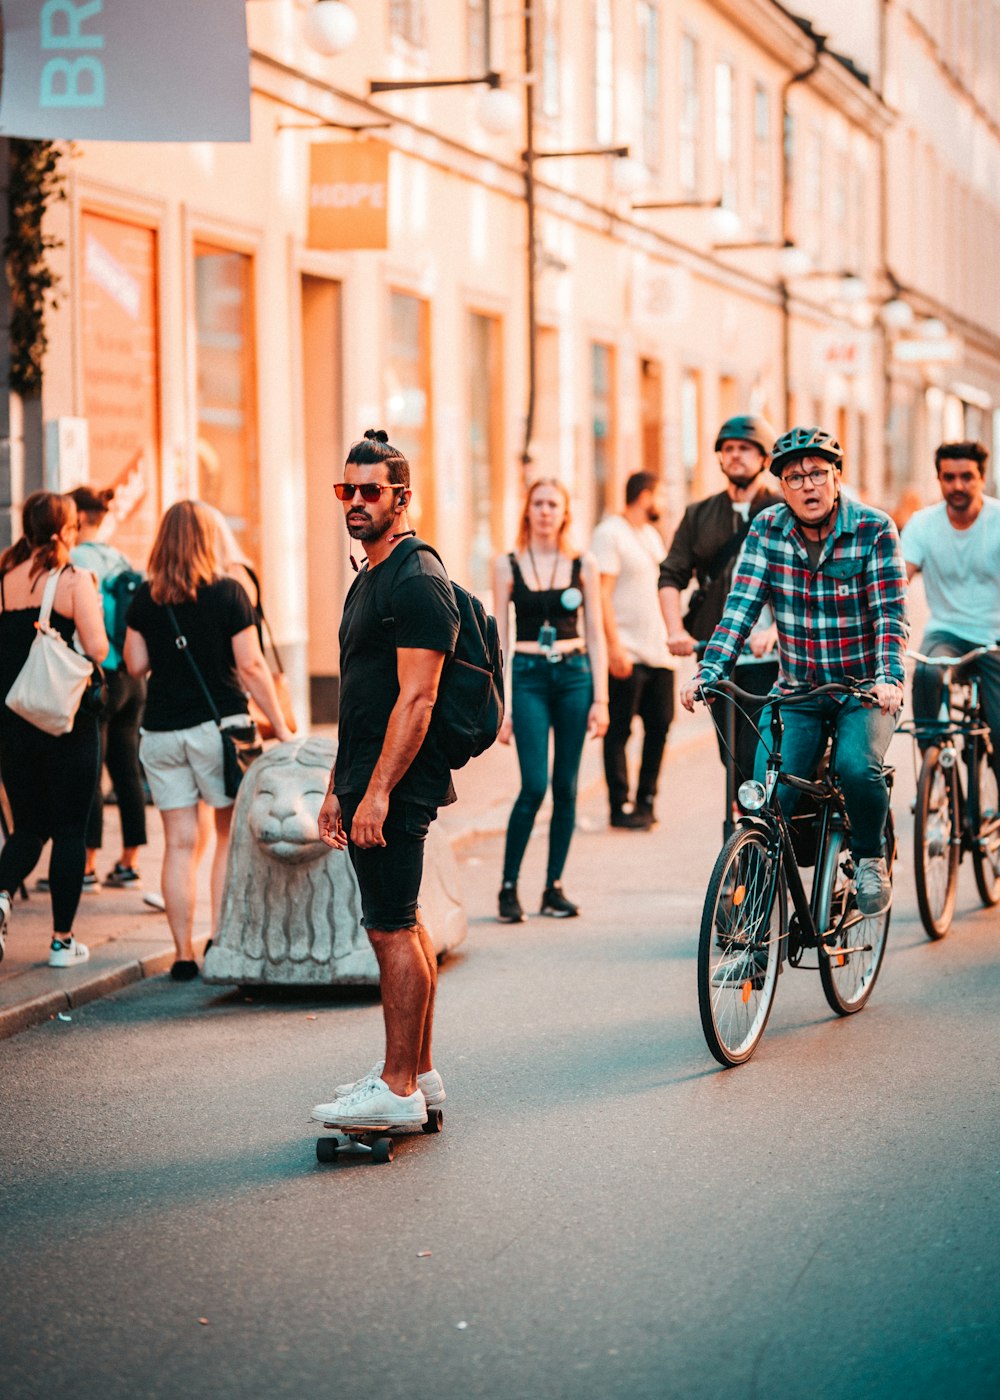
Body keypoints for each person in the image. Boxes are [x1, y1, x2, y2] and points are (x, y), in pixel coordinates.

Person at [680, 426, 908, 916]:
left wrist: (889, 676)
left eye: (817, 474)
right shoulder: (767, 529)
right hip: (798, 690)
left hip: (864, 690)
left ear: (837, 477)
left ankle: (870, 857)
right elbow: (739, 609)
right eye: (794, 477)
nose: (808, 485)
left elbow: (890, 613)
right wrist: (708, 671)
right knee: (769, 795)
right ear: (782, 487)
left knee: (855, 767)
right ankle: (758, 920)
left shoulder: (874, 529)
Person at [311, 429, 460, 1130]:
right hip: (368, 778)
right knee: (402, 923)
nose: (358, 502)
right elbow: (360, 693)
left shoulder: (416, 578)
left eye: (373, 491)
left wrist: (375, 793)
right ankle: (418, 1074)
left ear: (402, 498)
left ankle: (397, 1088)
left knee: (390, 930)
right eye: (349, 490)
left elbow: (418, 698)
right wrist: (338, 786)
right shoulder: (369, 575)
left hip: (398, 784)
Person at [123, 501, 294, 980]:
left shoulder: (144, 597)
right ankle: (219, 939)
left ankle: (181, 954)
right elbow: (252, 665)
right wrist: (280, 724)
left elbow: (134, 664)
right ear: (207, 539)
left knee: (178, 843)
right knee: (223, 838)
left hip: (160, 733)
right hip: (218, 731)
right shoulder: (229, 592)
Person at [492, 478, 609, 922]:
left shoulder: (584, 563)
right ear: (527, 510)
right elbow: (499, 638)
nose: (544, 511)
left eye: (553, 504)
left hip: (575, 675)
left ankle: (552, 887)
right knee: (534, 785)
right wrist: (499, 704)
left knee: (567, 788)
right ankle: (507, 886)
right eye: (538, 503)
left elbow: (595, 631)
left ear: (565, 513)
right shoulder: (507, 565)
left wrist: (602, 699)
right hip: (527, 676)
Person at [0, 491, 108, 967]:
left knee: (27, 829)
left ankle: (1, 894)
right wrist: (94, 597)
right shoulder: (71, 579)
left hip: (14, 723)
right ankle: (62, 942)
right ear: (67, 531)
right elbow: (99, 649)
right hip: (67, 723)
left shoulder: (3, 579)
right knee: (69, 829)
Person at [659, 414, 781, 790]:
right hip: (718, 654)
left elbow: (804, 583)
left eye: (745, 449)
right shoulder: (700, 514)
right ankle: (746, 841)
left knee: (761, 753)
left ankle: (770, 831)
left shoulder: (781, 511)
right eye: (728, 449)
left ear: (763, 458)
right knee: (731, 760)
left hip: (770, 658)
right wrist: (676, 630)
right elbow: (671, 573)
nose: (735, 456)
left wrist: (777, 631)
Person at [901, 441, 1000, 778]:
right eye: (949, 477)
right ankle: (935, 764)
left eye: (967, 477)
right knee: (927, 673)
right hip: (947, 632)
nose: (958, 486)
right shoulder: (923, 524)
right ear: (939, 479)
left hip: (995, 637)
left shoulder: (997, 521)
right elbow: (899, 580)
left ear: (981, 478)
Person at [67, 485, 148, 890]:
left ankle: (86, 865)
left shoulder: (74, 561)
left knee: (89, 771)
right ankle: (129, 861)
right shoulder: (119, 558)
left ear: (77, 518)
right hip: (133, 679)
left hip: (97, 679)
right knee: (127, 769)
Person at [591, 471, 675, 830]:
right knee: (619, 733)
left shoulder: (650, 536)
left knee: (660, 726)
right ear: (644, 496)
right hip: (626, 651)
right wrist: (613, 647)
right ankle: (619, 806)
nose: (664, 503)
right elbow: (600, 595)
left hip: (658, 653)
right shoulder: (610, 533)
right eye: (660, 494)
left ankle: (646, 802)